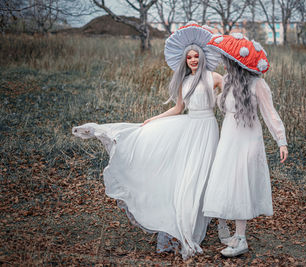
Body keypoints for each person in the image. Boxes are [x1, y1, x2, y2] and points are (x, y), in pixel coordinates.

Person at [72, 23, 222, 259]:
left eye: (196, 56)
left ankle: (198, 220)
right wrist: (153, 118)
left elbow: (231, 96)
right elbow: (178, 108)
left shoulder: (214, 77)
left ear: (203, 56)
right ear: (185, 60)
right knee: (187, 176)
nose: (193, 60)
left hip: (208, 129)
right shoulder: (184, 81)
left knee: (203, 176)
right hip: (189, 128)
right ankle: (180, 225)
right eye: (189, 57)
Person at [202, 33, 289, 257]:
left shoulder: (258, 84)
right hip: (229, 138)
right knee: (224, 181)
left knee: (241, 184)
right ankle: (227, 229)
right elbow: (221, 107)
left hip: (249, 140)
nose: (224, 62)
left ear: (235, 61)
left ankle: (241, 238)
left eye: (226, 60)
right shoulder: (227, 80)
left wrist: (281, 140)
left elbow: (270, 113)